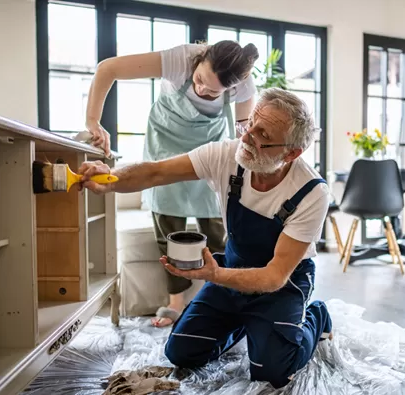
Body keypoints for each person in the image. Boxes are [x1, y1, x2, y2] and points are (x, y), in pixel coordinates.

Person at [78, 88, 332, 389]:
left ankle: (318, 316)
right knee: (182, 353)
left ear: (291, 153)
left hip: (282, 284)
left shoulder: (311, 192)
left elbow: (275, 276)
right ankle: (246, 322)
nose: (247, 136)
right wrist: (110, 179)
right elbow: (157, 173)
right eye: (249, 123)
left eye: (261, 133)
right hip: (233, 270)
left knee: (273, 372)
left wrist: (214, 275)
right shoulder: (228, 155)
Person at [83, 40, 260, 327]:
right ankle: (175, 301)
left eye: (214, 91)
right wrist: (93, 121)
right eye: (200, 80)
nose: (203, 90)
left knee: (217, 230)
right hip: (165, 142)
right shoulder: (179, 60)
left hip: (209, 149)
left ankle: (222, 300)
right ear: (199, 60)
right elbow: (108, 68)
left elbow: (242, 136)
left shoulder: (244, 85)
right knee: (169, 227)